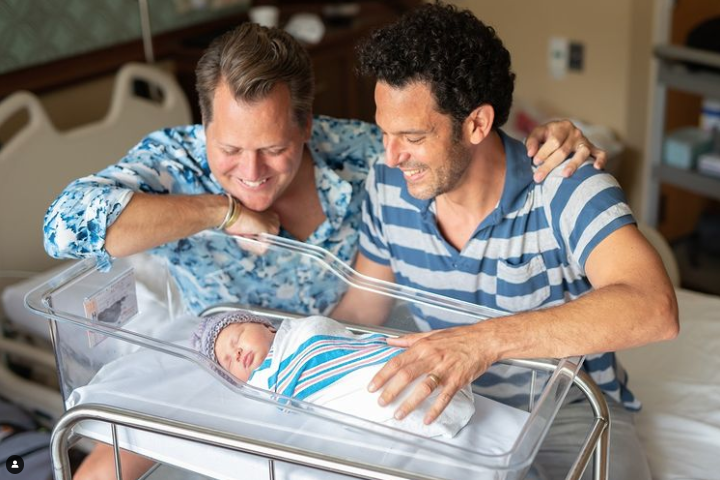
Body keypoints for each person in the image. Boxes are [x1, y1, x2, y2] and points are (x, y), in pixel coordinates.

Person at [48, 19, 603, 480]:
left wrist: (552, 140)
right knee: (99, 467)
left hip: (333, 359)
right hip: (222, 362)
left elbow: (450, 152)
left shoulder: (368, 158)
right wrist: (222, 211)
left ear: (307, 126)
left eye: (273, 148)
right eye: (230, 148)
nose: (250, 172)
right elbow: (66, 226)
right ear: (204, 127)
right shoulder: (176, 162)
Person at [329, 3, 679, 479]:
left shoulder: (564, 184)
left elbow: (653, 309)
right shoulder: (388, 184)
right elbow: (362, 310)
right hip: (449, 404)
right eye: (384, 132)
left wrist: (482, 343)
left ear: (476, 124)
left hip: (566, 406)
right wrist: (294, 348)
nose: (392, 156)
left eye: (410, 136)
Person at [192, 310, 475, 438]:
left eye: (238, 338)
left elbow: (330, 339)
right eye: (229, 362)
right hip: (363, 390)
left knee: (402, 365)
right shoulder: (262, 385)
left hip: (378, 357)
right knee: (386, 392)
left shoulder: (300, 331)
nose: (238, 353)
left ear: (265, 326)